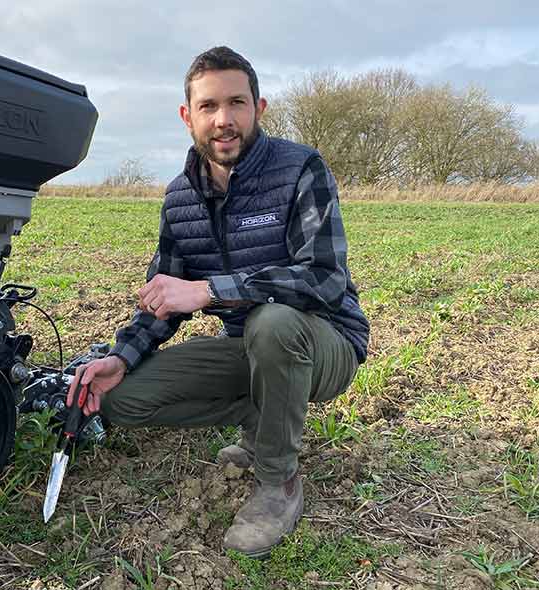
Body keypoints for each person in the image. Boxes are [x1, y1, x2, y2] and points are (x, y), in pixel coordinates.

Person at [67, 46, 369, 558]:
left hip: (324, 343)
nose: (224, 120)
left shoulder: (301, 169)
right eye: (208, 106)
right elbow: (162, 296)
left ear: (260, 108)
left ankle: (278, 484)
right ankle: (264, 417)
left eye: (237, 103)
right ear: (188, 116)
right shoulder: (180, 198)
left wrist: (211, 290)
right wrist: (119, 357)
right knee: (124, 399)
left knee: (271, 324)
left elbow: (323, 278)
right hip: (249, 350)